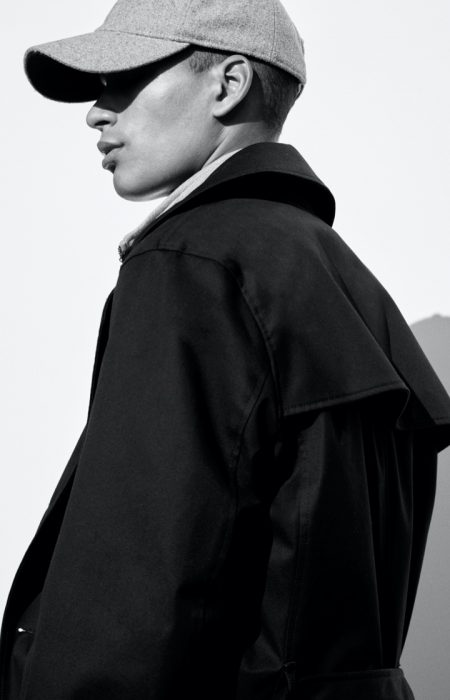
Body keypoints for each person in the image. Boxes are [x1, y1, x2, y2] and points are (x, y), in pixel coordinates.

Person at [1, 1, 449, 698]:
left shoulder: (191, 264)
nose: (96, 112)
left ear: (228, 83)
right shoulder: (340, 279)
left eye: (125, 78)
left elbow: (130, 607)